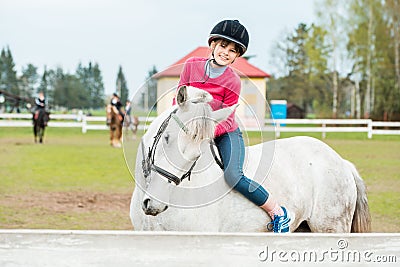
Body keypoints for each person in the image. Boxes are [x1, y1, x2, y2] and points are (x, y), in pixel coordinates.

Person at [175, 19, 291, 233]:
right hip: (190, 129)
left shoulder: (233, 81)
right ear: (213, 45)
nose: (226, 52)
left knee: (233, 176)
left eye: (233, 50)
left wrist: (205, 133)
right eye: (223, 46)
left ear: (237, 56)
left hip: (224, 132)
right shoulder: (192, 65)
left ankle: (277, 212)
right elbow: (179, 100)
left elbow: (228, 117)